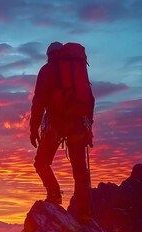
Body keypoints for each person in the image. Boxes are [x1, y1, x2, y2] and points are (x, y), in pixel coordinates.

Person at [29, 41, 95, 221]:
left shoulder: (48, 70)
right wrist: (89, 127)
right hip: (79, 125)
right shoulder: (78, 71)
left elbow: (39, 101)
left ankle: (54, 194)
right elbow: (90, 99)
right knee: (80, 171)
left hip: (56, 124)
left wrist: (33, 128)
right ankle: (84, 212)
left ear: (49, 55)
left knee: (41, 162)